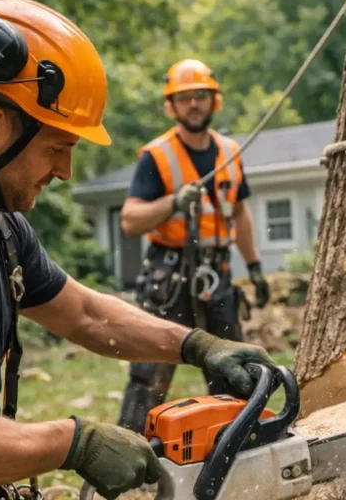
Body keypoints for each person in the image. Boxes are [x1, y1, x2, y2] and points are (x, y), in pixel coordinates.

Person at [0, 0, 274, 500]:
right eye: (57, 149)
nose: (65, 173)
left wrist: (197, 347)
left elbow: (86, 315)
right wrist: (76, 442)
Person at [116, 58, 271, 434]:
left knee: (231, 367)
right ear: (171, 106)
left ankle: (235, 445)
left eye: (201, 96)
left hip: (215, 272)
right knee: (150, 371)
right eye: (184, 98)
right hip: (170, 273)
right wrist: (172, 203)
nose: (194, 104)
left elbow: (240, 212)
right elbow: (130, 219)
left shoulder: (230, 151)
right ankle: (134, 458)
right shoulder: (158, 155)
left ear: (214, 101)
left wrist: (253, 267)